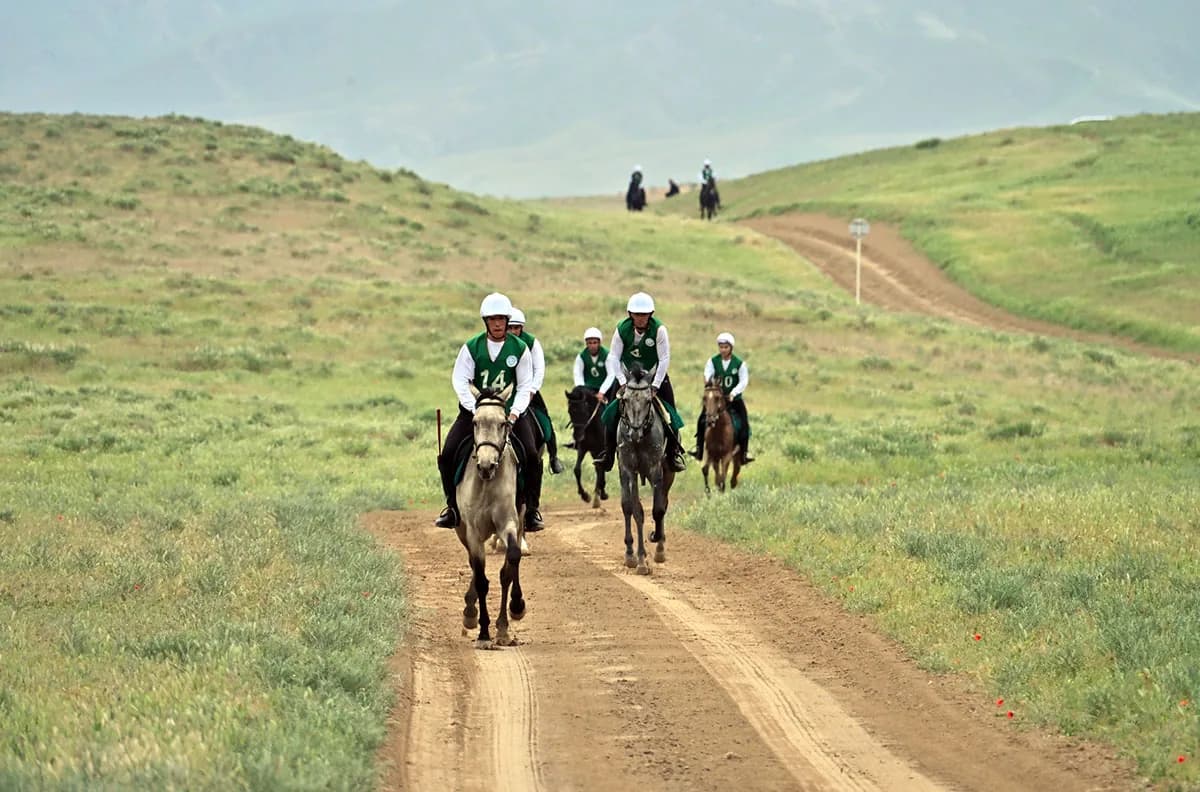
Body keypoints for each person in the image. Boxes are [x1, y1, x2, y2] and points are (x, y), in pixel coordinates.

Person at [434, 292, 544, 532]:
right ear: (486, 321)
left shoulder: (520, 348)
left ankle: (531, 509)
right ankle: (452, 508)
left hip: (510, 415)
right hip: (475, 414)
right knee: (448, 454)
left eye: (501, 319)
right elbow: (460, 380)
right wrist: (477, 410)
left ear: (507, 321)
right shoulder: (472, 347)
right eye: (492, 319)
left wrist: (514, 413)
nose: (497, 324)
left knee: (532, 457)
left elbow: (524, 384)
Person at [595, 292, 688, 473]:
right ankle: (608, 454)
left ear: (650, 314)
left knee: (670, 413)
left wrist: (656, 385)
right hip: (628, 378)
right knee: (611, 412)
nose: (640, 318)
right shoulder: (622, 329)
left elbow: (664, 358)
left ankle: (672, 453)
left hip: (654, 376)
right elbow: (614, 356)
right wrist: (622, 382)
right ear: (630, 314)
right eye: (637, 315)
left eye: (644, 315)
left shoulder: (659, 330)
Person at [507, 306, 565, 483]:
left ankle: (553, 457)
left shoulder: (531, 343)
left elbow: (539, 368)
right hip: (504, 391)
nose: (513, 331)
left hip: (528, 389)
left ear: (521, 328)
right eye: (510, 327)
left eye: (516, 328)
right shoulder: (497, 342)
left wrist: (532, 390)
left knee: (544, 420)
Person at [692, 332, 753, 465]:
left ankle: (744, 452)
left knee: (744, 423)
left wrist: (733, 393)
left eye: (726, 347)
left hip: (733, 399)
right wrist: (708, 382)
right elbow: (707, 373)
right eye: (721, 347)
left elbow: (743, 381)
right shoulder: (713, 361)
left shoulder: (739, 364)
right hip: (715, 399)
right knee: (702, 420)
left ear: (731, 348)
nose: (723, 350)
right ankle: (698, 449)